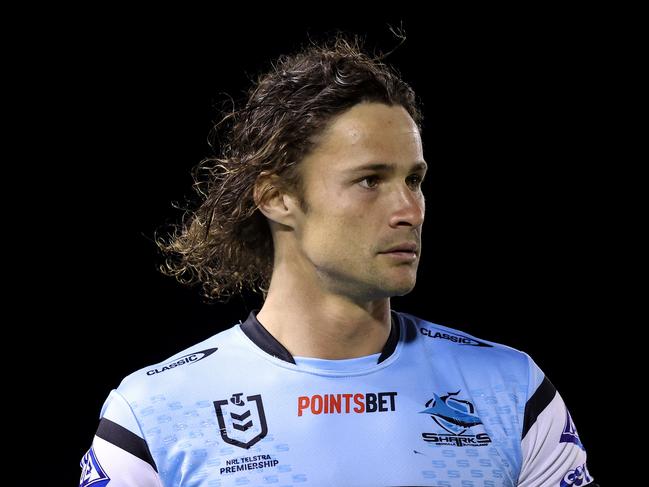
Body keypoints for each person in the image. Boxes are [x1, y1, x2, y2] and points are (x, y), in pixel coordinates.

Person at [80, 35, 596, 487]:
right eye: (371, 180)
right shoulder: (153, 415)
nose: (410, 210)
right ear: (277, 198)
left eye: (414, 180)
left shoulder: (512, 392)